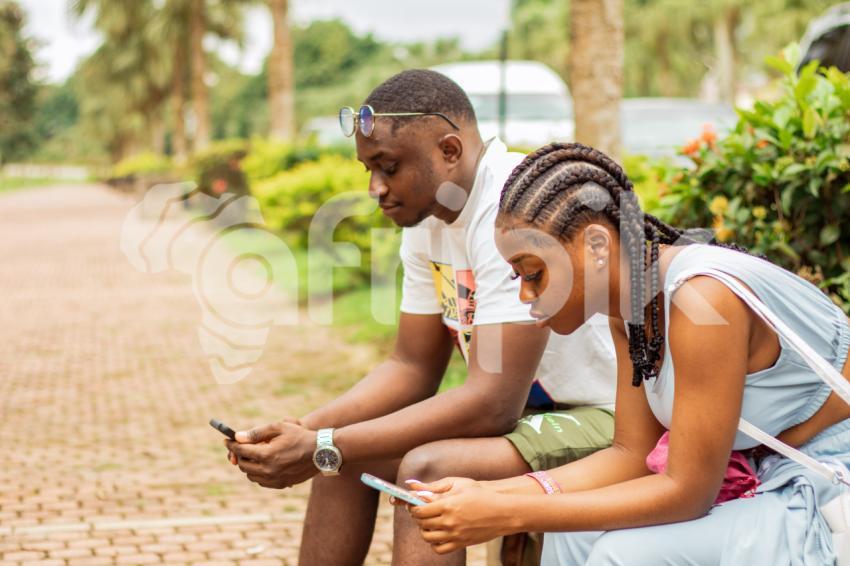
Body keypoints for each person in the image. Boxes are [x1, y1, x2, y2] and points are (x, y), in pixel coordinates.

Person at [223, 71, 617, 565]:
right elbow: (410, 365)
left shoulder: (512, 210)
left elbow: (492, 403)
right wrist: (304, 430)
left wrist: (323, 442)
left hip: (604, 413)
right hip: (531, 415)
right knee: (341, 460)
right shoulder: (429, 218)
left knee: (425, 470)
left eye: (388, 167)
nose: (375, 188)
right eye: (368, 170)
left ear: (449, 150)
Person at [403, 142, 850, 565]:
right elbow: (630, 453)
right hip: (774, 477)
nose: (524, 293)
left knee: (623, 556)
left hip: (828, 485)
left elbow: (687, 492)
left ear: (597, 246)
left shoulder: (703, 300)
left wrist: (510, 513)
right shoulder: (630, 314)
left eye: (534, 274)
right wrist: (497, 494)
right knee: (569, 531)